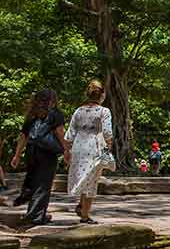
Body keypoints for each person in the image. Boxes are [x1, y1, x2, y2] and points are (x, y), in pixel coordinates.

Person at [9, 88, 70, 225]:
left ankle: (34, 213)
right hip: (47, 153)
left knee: (34, 181)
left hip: (31, 151)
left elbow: (23, 136)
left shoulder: (32, 115)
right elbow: (60, 134)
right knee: (43, 184)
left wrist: (17, 155)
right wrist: (67, 150)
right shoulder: (55, 114)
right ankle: (35, 217)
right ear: (53, 100)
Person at [64, 80, 114, 225]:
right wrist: (108, 147)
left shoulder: (78, 111)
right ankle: (85, 215)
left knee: (83, 175)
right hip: (94, 146)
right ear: (102, 95)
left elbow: (70, 133)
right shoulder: (104, 111)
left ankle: (81, 206)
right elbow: (107, 132)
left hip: (79, 145)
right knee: (91, 179)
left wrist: (67, 151)